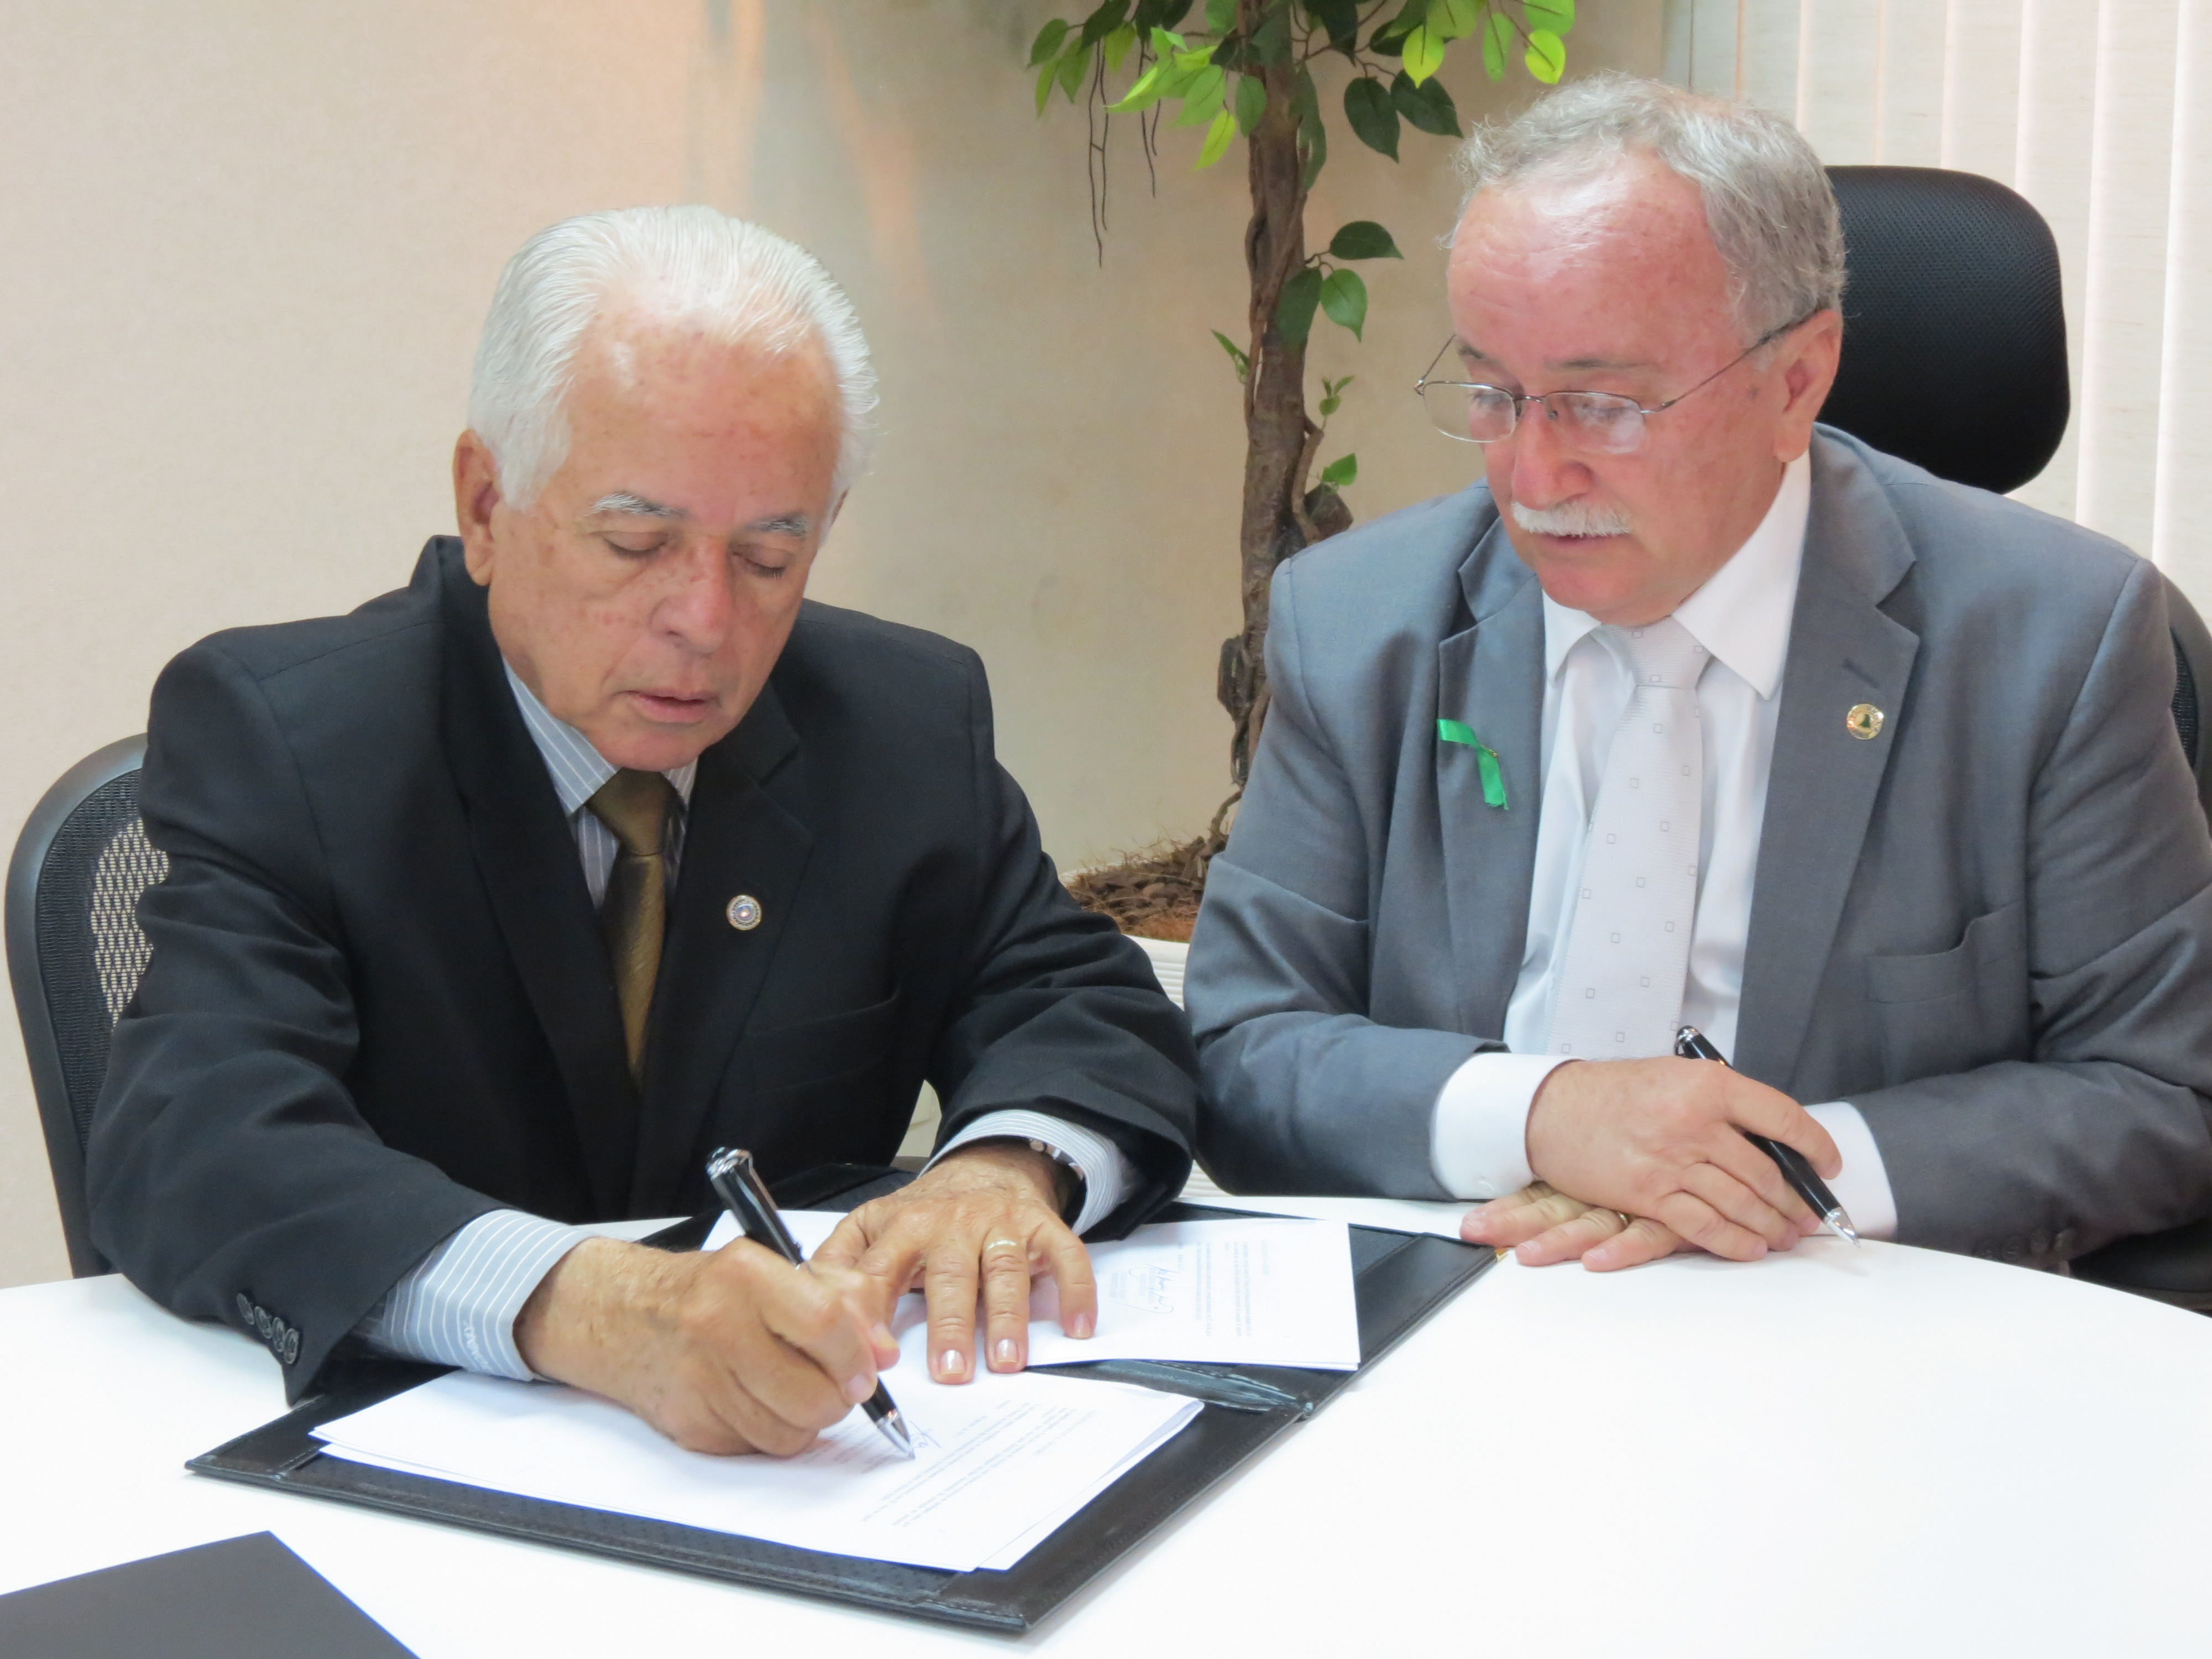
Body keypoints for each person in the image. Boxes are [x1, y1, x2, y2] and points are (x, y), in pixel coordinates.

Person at [87, 206, 1198, 1454]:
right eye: (636, 543)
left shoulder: (897, 721)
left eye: (768, 558)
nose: (705, 622)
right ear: (487, 505)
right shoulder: (294, 740)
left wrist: (1001, 1171)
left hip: (813, 1474)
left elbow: (1078, 1002)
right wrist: (590, 1307)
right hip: (415, 1457)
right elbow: (197, 1132)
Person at [1186, 75, 2212, 1274]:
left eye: (1602, 404)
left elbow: (2160, 1089)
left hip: (1849, 1305)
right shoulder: (1359, 619)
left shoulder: (2054, 638)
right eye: (1492, 394)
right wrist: (1542, 1114)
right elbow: (1241, 1045)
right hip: (1475, 1289)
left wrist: (1760, 1175)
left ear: (1796, 381)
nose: (1532, 477)